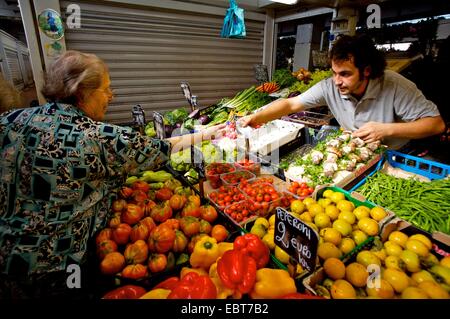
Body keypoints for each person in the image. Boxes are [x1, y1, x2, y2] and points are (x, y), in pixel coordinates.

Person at [0, 50, 224, 299]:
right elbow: (161, 149)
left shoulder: (10, 120)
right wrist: (208, 133)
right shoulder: (96, 137)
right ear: (82, 91)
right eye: (105, 89)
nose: (111, 96)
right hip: (56, 267)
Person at [241, 35, 446, 149]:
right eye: (334, 73)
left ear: (366, 70)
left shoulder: (395, 86)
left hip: (396, 154)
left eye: (345, 74)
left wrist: (386, 129)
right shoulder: (329, 86)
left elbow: (436, 124)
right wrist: (257, 116)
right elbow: (291, 104)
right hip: (357, 152)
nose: (337, 81)